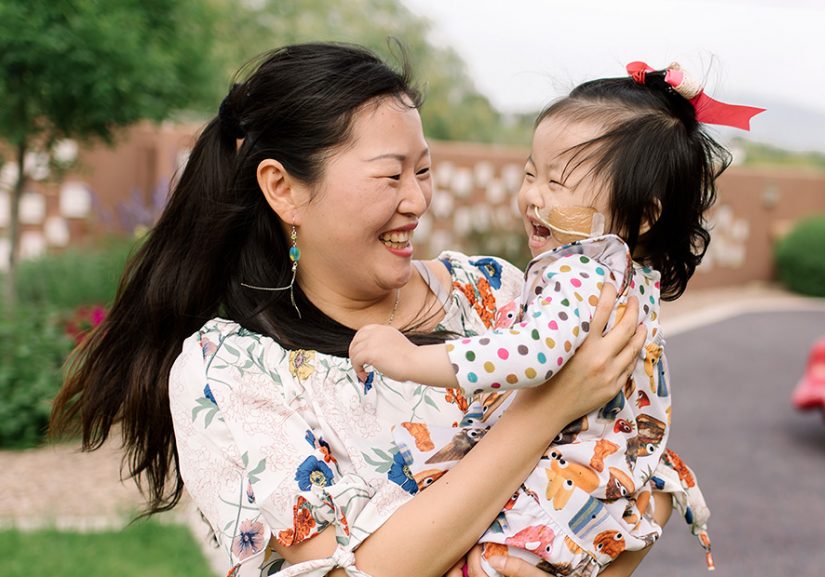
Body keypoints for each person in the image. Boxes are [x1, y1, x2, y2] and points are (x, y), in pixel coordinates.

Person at [49, 42, 657, 577]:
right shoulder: (230, 372)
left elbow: (639, 467)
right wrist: (546, 409)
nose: (417, 200)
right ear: (283, 188)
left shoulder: (498, 294)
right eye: (390, 176)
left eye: (422, 171)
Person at [349, 60, 759, 576]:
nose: (533, 197)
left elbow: (532, 355)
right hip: (604, 476)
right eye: (530, 173)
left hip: (564, 479)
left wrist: (410, 358)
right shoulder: (628, 276)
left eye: (558, 184)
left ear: (643, 214)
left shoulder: (579, 275)